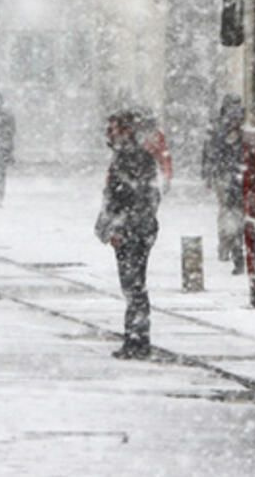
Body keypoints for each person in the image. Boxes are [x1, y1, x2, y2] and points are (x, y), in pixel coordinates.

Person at [95, 109, 163, 360]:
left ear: (126, 131)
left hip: (133, 232)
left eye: (113, 129)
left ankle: (137, 340)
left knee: (133, 286)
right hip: (135, 230)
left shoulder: (131, 159)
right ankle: (135, 338)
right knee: (133, 286)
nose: (108, 134)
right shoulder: (129, 157)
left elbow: (138, 198)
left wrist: (122, 227)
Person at [202, 94, 245, 274]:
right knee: (234, 211)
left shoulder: (218, 124)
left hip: (226, 173)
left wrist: (207, 172)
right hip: (236, 173)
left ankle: (227, 244)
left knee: (227, 210)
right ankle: (233, 244)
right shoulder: (240, 124)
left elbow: (208, 150)